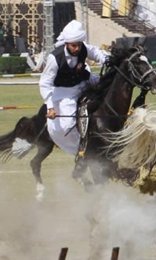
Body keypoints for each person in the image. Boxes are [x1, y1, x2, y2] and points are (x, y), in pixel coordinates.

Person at [39, 19, 109, 169]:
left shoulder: (83, 47)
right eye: (73, 45)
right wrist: (50, 107)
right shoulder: (55, 58)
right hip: (64, 92)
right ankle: (82, 151)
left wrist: (107, 59)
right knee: (68, 125)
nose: (77, 48)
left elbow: (96, 53)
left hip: (85, 82)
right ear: (66, 44)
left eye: (79, 44)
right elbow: (44, 83)